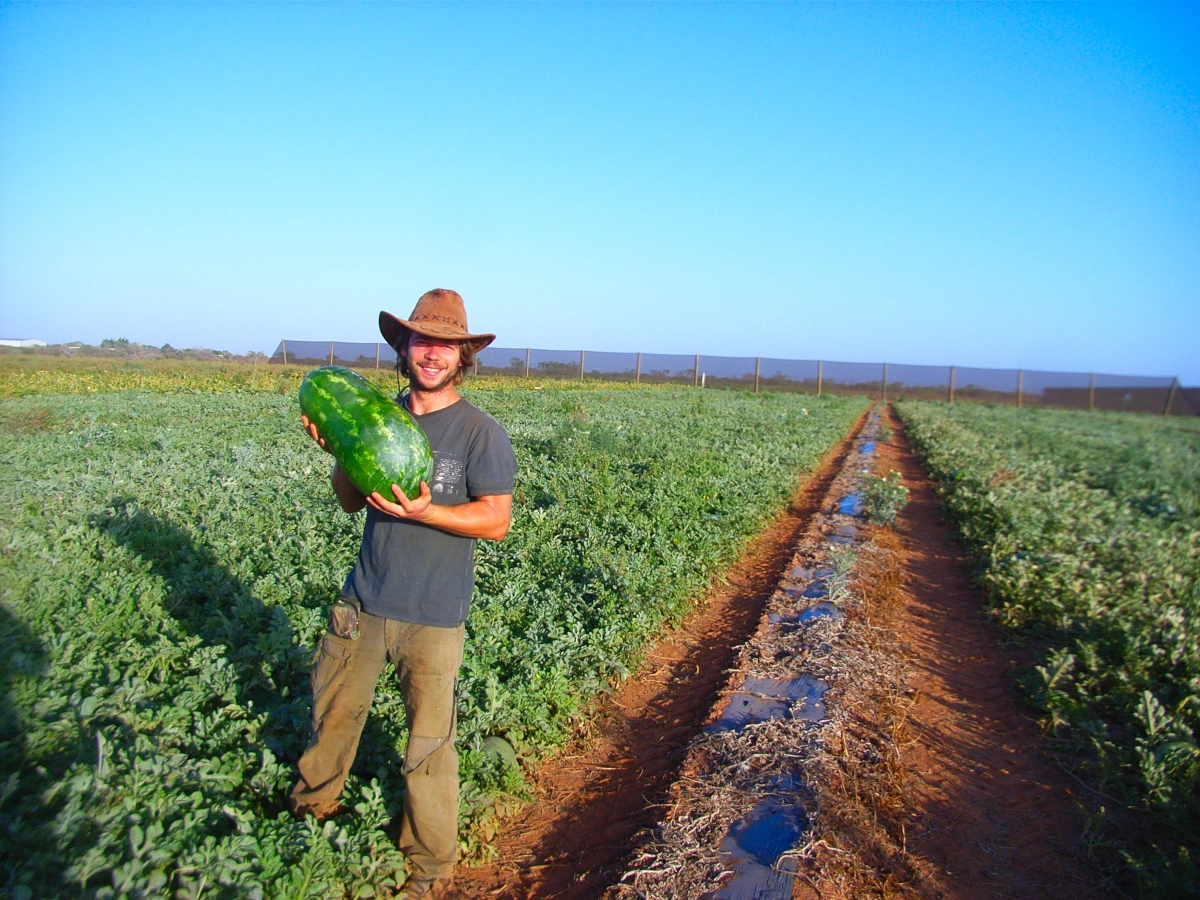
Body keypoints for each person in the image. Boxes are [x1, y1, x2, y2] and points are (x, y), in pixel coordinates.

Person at [289, 289, 516, 899]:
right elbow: (347, 499)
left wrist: (427, 511)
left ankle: (429, 866)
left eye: (446, 344)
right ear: (404, 348)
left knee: (429, 748)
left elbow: (495, 520)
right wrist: (338, 447)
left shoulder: (480, 432)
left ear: (463, 356)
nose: (433, 353)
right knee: (331, 721)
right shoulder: (375, 416)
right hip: (364, 600)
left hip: (435, 615)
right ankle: (308, 823)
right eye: (422, 340)